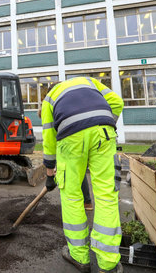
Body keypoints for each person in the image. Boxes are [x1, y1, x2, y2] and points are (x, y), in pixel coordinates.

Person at [41, 77, 124, 273]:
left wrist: (50, 173)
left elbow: (49, 138)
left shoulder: (49, 99)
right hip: (103, 133)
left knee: (71, 197)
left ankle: (79, 256)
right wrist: (104, 124)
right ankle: (108, 263)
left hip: (70, 140)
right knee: (106, 195)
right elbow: (117, 102)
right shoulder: (89, 81)